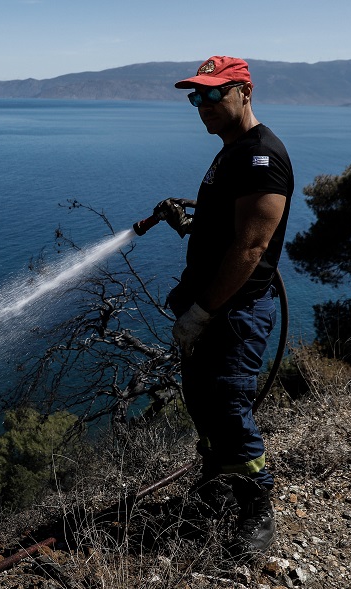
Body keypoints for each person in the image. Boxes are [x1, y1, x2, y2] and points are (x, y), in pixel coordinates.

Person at [136, 55, 293, 557]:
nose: (201, 105)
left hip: (235, 314)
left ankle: (256, 508)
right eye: (195, 96)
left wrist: (202, 312)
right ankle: (214, 487)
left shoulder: (262, 157)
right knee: (203, 404)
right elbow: (221, 232)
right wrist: (185, 224)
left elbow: (250, 247)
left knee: (227, 405)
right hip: (210, 308)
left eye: (213, 94)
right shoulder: (231, 152)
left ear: (244, 91)